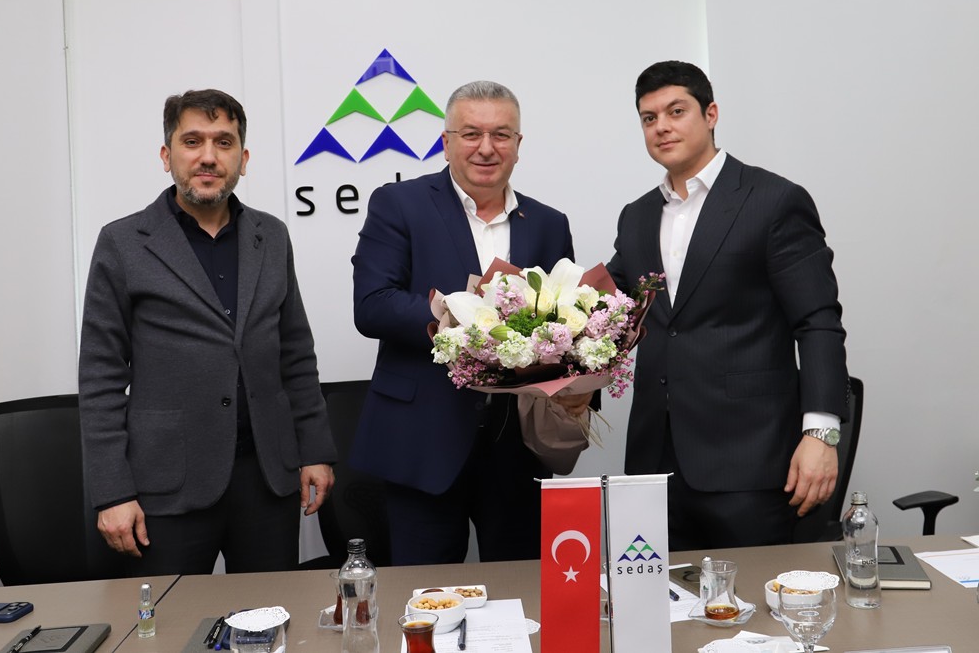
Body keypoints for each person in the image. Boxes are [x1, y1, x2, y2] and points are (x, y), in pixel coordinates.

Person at [79, 89, 336, 575]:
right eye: (192, 141)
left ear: (244, 158)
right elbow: (100, 377)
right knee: (167, 620)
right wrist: (112, 492)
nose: (208, 157)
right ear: (166, 156)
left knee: (269, 613)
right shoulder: (123, 242)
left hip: (266, 479)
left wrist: (316, 452)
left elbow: (296, 355)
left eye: (224, 142)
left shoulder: (271, 235)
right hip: (166, 484)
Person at [606, 61, 849, 549]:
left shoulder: (774, 201)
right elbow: (606, 315)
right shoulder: (636, 216)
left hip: (750, 459)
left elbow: (818, 323)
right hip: (654, 463)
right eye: (649, 118)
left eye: (676, 111)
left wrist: (821, 435)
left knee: (757, 595)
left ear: (711, 114)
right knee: (659, 596)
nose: (662, 126)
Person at [351, 81, 584, 565]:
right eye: (471, 133)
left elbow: (571, 319)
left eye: (501, 134)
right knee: (425, 593)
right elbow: (372, 305)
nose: (486, 148)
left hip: (517, 447)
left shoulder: (548, 223)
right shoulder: (399, 204)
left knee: (522, 588)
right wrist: (466, 319)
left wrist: (579, 387)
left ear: (518, 143)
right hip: (422, 440)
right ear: (446, 142)